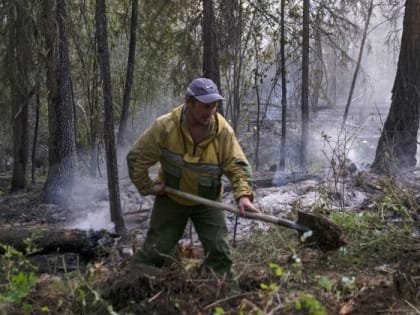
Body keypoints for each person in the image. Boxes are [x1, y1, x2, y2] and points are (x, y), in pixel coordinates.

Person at [126, 77, 260, 288]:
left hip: (208, 202)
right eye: (205, 106)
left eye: (214, 105)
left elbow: (237, 165)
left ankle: (229, 299)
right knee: (154, 252)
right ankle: (130, 291)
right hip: (172, 198)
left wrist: (243, 196)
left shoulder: (222, 131)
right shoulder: (165, 127)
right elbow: (136, 158)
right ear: (189, 102)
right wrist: (148, 187)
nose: (210, 111)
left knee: (220, 253)